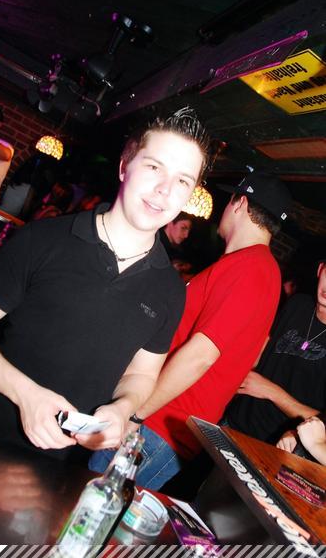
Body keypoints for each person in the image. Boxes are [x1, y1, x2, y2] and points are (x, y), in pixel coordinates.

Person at [0, 106, 209, 461]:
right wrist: (25, 394)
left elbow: (142, 374)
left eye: (182, 181)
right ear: (124, 166)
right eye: (153, 167)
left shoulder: (171, 290)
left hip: (65, 468)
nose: (164, 190)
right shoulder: (45, 238)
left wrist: (123, 408)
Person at [90, 171, 292, 489]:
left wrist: (136, 412)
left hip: (156, 423)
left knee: (89, 504)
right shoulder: (252, 267)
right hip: (159, 419)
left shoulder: (252, 267)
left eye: (229, 200)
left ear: (240, 204)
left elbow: (201, 355)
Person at [223, 259, 326, 444]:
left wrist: (271, 392)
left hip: (272, 446)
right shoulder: (298, 304)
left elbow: (323, 424)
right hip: (232, 421)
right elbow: (263, 352)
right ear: (320, 270)